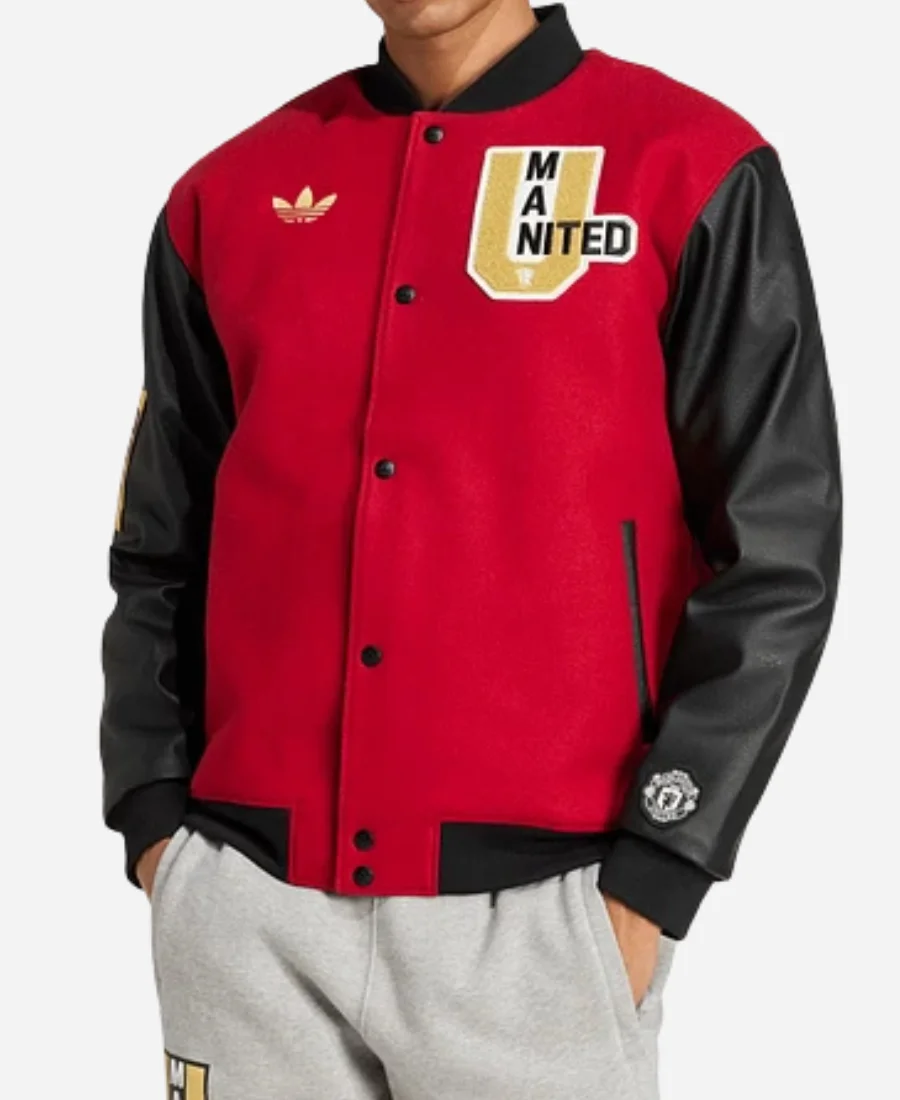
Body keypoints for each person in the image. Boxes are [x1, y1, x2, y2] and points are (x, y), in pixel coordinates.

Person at [99, 2, 842, 1097]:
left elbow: (778, 550)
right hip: (245, 907)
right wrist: (155, 818)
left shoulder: (689, 166)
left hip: (549, 921)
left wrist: (659, 867)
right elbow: (160, 542)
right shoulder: (227, 194)